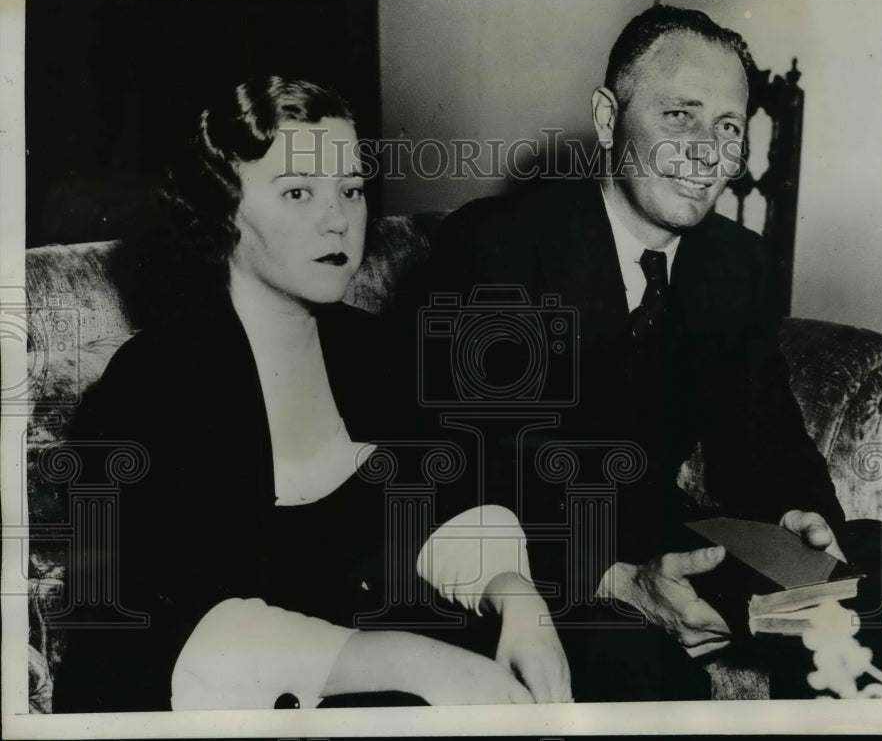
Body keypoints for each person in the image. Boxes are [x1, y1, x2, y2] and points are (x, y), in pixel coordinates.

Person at [413, 4, 882, 699]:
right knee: (642, 672)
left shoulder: (733, 262)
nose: (706, 153)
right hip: (543, 564)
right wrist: (624, 582)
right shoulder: (497, 247)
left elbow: (765, 440)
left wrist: (804, 520)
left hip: (670, 539)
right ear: (607, 120)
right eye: (678, 117)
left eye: (727, 128)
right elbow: (465, 475)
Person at [52, 76, 570, 712]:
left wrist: (516, 595)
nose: (339, 219)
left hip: (387, 659)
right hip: (242, 708)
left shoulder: (376, 350)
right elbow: (157, 625)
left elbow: (444, 501)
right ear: (224, 211)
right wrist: (419, 662)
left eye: (351, 190)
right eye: (299, 192)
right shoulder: (155, 381)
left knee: (624, 659)